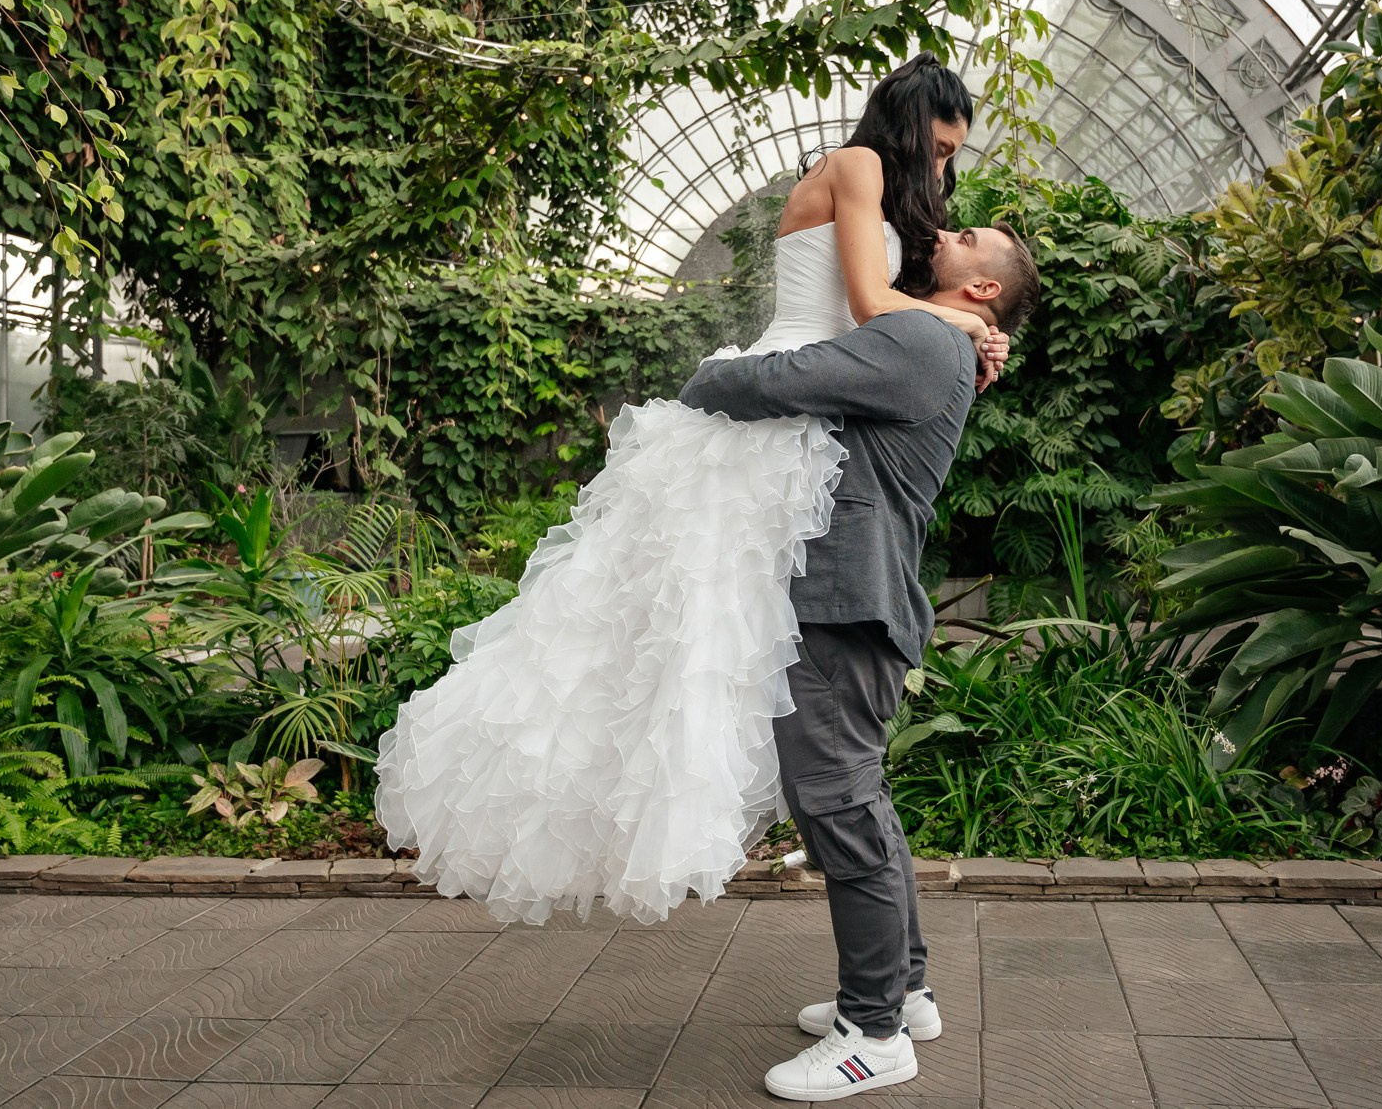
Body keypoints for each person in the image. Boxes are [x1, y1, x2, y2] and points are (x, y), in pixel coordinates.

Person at [374, 54, 1014, 926]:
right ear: (908, 125)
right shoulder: (860, 164)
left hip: (805, 426)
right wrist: (972, 318)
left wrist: (963, 328)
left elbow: (887, 316)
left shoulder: (874, 192)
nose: (944, 173)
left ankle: (882, 974)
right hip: (780, 396)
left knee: (716, 643)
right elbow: (868, 303)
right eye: (940, 149)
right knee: (690, 636)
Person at [679, 220, 1039, 1102]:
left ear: (983, 288)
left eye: (966, 236)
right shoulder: (936, 336)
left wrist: (705, 377)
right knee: (856, 798)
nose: (943, 231)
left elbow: (782, 380)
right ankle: (904, 992)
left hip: (845, 603)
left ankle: (872, 1033)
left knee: (836, 804)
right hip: (859, 604)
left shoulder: (918, 337)